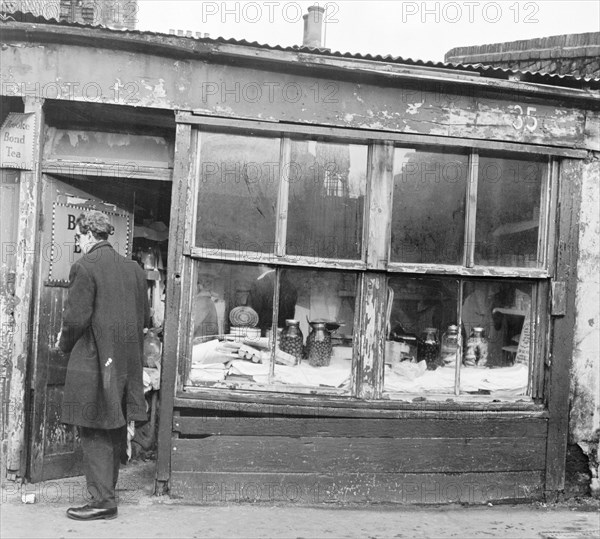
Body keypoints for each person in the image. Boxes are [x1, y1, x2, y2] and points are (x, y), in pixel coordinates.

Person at [57, 211, 150, 521]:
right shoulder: (134, 269)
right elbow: (144, 319)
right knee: (113, 425)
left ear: (87, 236)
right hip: (125, 361)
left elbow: (75, 320)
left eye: (79, 239)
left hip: (95, 359)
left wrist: (63, 345)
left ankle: (103, 502)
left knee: (93, 425)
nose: (79, 244)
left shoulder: (84, 267)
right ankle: (106, 494)